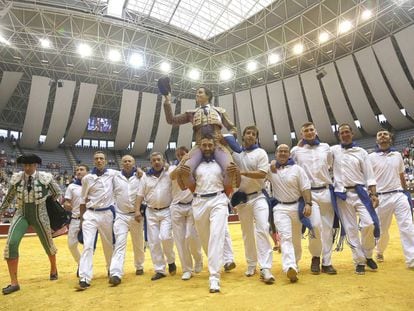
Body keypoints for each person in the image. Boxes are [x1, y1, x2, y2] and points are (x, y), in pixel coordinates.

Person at [178, 133, 240, 293]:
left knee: (216, 237)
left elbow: (236, 182)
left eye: (210, 145)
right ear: (199, 146)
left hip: (219, 199)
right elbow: (182, 185)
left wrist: (235, 172)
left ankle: (214, 277)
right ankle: (215, 261)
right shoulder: (193, 163)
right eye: (204, 145)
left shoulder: (222, 162)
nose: (207, 148)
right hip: (198, 201)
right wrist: (181, 171)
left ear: (214, 146)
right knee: (206, 240)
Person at [1, 154, 61, 295]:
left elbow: (57, 192)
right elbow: (9, 197)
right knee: (11, 243)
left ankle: (53, 268)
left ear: (36, 165)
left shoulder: (45, 178)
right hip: (21, 214)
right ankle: (14, 282)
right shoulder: (17, 178)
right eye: (25, 165)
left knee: (48, 244)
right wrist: (1, 211)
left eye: (30, 165)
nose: (27, 168)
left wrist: (47, 203)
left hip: (40, 214)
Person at [163, 86, 237, 196]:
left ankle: (225, 197)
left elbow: (233, 129)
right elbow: (171, 120)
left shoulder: (220, 111)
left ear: (208, 96)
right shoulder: (191, 113)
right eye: (197, 93)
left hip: (217, 144)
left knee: (230, 169)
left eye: (200, 92)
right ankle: (196, 194)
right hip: (199, 145)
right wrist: (167, 101)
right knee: (185, 169)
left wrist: (227, 137)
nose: (197, 94)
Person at [331, 124, 379, 275]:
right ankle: (359, 261)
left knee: (369, 224)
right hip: (342, 195)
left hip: (360, 193)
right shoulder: (333, 151)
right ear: (339, 135)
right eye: (341, 133)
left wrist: (373, 194)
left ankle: (367, 254)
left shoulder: (361, 152)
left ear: (352, 133)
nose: (344, 134)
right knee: (351, 229)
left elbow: (369, 176)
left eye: (347, 132)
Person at [289, 122, 337, 275]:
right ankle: (315, 256)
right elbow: (291, 168)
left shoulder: (325, 147)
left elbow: (329, 164)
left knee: (328, 229)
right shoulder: (296, 151)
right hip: (309, 194)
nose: (309, 132)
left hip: (326, 190)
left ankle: (327, 262)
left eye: (311, 130)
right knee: (315, 225)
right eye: (305, 131)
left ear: (315, 131)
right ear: (301, 134)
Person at [231, 125, 274, 284]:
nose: (250, 136)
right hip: (242, 199)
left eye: (253, 134)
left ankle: (266, 267)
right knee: (246, 232)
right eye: (248, 133)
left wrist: (242, 172)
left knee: (263, 228)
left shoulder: (260, 153)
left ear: (256, 138)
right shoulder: (236, 154)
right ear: (243, 136)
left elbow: (262, 173)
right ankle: (251, 264)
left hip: (258, 196)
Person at [369, 129, 414, 268]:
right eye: (379, 134)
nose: (382, 136)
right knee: (382, 230)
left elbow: (401, 175)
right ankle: (380, 250)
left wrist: (405, 191)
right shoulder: (371, 157)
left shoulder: (397, 155)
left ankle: (411, 259)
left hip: (398, 194)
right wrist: (372, 195)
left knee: (407, 226)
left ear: (390, 138)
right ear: (377, 140)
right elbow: (369, 179)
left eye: (385, 134)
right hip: (381, 197)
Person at [267, 145, 312, 283]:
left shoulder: (297, 169)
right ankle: (289, 266)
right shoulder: (271, 169)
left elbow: (305, 187)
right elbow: (259, 173)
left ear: (289, 155)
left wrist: (308, 203)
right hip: (280, 207)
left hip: (296, 206)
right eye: (280, 151)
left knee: (296, 239)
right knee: (286, 237)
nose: (283, 153)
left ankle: (295, 263)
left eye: (285, 151)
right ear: (275, 154)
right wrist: (272, 163)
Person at [77, 151, 118, 290]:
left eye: (101, 158)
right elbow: (83, 200)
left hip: (107, 213)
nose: (99, 161)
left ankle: (111, 270)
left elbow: (127, 173)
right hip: (91, 214)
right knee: (88, 245)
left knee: (108, 244)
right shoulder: (87, 178)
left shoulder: (113, 174)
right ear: (93, 161)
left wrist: (139, 172)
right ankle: (84, 277)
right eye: (96, 159)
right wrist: (82, 220)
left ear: (105, 161)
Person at [134, 152, 176, 281]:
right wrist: (137, 210)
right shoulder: (145, 177)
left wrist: (170, 166)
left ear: (163, 161)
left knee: (165, 237)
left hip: (167, 210)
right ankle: (159, 269)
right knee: (153, 241)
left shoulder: (169, 174)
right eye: (154, 160)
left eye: (159, 160)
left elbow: (178, 166)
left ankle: (171, 260)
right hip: (151, 211)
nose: (157, 162)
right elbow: (140, 195)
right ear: (150, 163)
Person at [108, 155, 146, 286]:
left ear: (134, 163)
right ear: (121, 163)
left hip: (136, 215)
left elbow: (145, 193)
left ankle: (139, 265)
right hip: (121, 215)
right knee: (119, 243)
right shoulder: (115, 176)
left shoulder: (141, 176)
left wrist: (141, 210)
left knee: (138, 243)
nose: (127, 163)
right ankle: (116, 273)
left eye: (130, 161)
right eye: (125, 161)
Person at [169, 147, 203, 280]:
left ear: (188, 153)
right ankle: (186, 269)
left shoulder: (196, 167)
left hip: (192, 205)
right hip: (176, 206)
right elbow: (172, 176)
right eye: (178, 155)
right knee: (180, 240)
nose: (180, 156)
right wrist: (182, 163)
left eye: (183, 154)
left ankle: (198, 258)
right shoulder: (173, 168)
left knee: (191, 236)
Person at [64, 164, 89, 274]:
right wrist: (67, 205)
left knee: (87, 246)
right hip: (75, 218)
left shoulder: (91, 184)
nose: (79, 171)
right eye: (77, 170)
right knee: (71, 245)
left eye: (81, 169)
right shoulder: (71, 187)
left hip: (89, 219)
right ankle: (81, 263)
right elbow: (66, 201)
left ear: (87, 172)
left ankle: (84, 269)